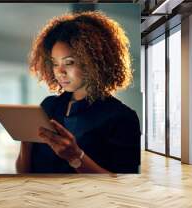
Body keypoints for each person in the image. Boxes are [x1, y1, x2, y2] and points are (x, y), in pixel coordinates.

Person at [15, 11, 141, 174]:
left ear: (93, 62)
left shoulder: (122, 118)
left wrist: (76, 157)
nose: (60, 72)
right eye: (54, 63)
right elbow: (23, 174)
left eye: (69, 62)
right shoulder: (49, 106)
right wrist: (25, 142)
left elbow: (124, 186)